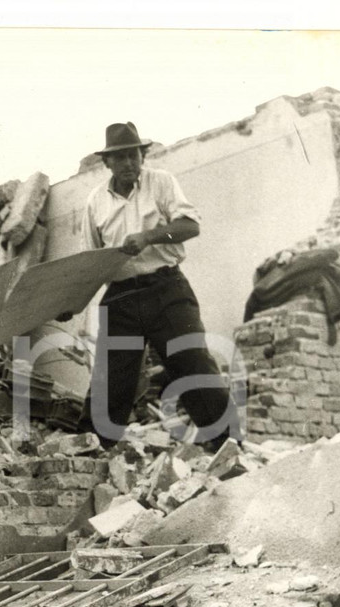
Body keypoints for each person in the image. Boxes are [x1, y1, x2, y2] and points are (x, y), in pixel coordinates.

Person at [74, 122, 241, 450]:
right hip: (121, 296)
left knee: (192, 362)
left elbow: (190, 226)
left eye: (133, 155)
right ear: (107, 162)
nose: (128, 163)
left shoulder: (161, 182)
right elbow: (90, 261)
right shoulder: (95, 201)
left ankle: (228, 447)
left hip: (166, 288)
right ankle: (90, 450)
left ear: (143, 155)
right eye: (120, 157)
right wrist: (74, 303)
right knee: (112, 378)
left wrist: (148, 237)